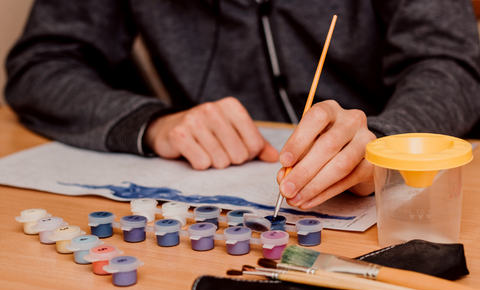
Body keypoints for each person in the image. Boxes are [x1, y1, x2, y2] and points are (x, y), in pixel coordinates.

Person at [5, 0, 480, 210]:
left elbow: (453, 62)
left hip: (401, 206)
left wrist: (383, 142)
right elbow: (41, 64)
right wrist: (153, 124)